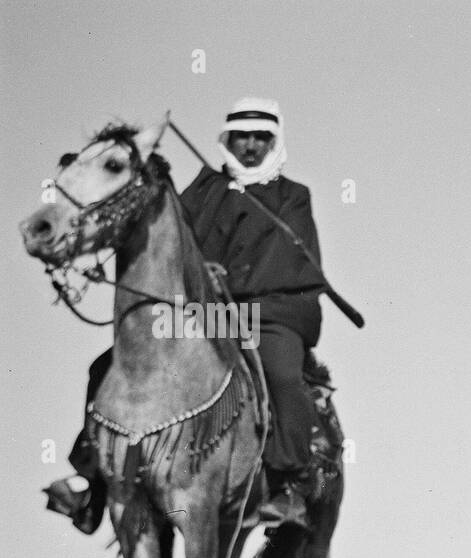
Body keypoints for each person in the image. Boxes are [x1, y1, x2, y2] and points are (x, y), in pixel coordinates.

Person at [44, 96, 327, 531]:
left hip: (268, 314)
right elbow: (176, 241)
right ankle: (92, 479)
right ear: (227, 139)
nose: (250, 146)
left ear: (274, 141)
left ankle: (289, 484)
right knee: (105, 367)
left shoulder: (293, 197)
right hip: (201, 312)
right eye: (241, 136)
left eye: (260, 137)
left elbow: (285, 264)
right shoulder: (204, 188)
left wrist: (229, 280)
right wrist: (197, 276)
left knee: (283, 376)